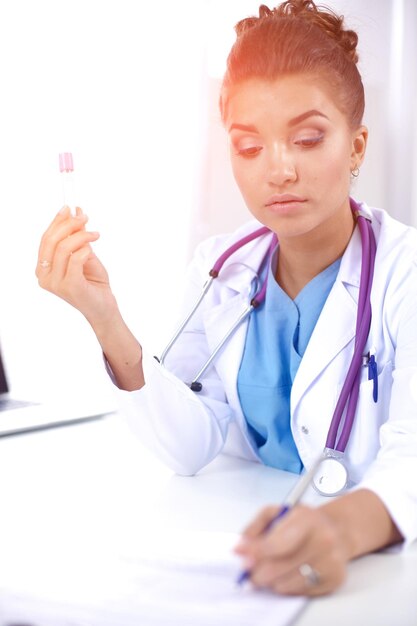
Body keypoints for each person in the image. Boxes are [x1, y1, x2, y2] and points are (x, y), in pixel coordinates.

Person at [36, 0, 417, 597]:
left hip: (378, 573)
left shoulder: (404, 270)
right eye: (248, 146)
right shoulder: (220, 268)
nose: (280, 170)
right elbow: (188, 445)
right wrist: (104, 317)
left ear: (358, 146)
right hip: (241, 544)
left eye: (309, 137)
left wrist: (338, 531)